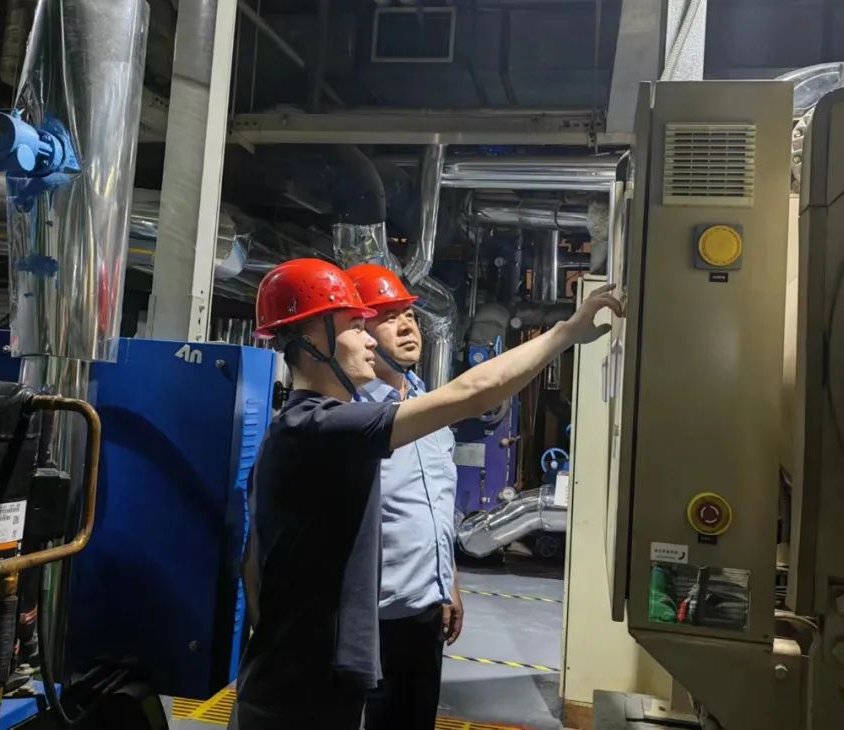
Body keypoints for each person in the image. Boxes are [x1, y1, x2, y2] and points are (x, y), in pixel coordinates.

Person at [231, 258, 621, 730]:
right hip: (297, 690)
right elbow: (475, 391)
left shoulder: (310, 427)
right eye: (356, 326)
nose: (370, 341)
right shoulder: (322, 427)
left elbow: (253, 566)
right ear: (314, 340)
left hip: (311, 677)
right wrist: (566, 333)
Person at [346, 264, 462, 730]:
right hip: (369, 624)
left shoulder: (428, 407)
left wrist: (449, 582)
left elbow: (437, 503)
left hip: (425, 617)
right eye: (389, 317)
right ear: (359, 333)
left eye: (410, 316)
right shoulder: (350, 416)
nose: (408, 326)